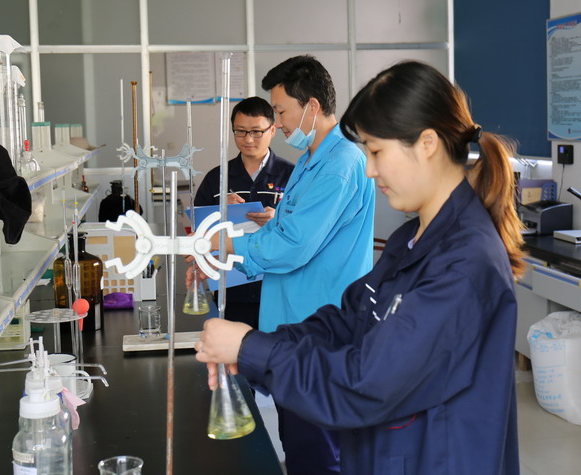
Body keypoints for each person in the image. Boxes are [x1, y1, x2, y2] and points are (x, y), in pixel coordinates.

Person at [195, 60, 526, 474]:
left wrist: (253, 350)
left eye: (376, 151)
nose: (369, 169)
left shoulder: (463, 264)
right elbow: (350, 318)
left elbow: (367, 383)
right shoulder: (412, 238)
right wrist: (254, 344)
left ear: (427, 143)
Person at [190, 55, 376, 475]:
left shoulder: (341, 163)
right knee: (298, 441)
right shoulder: (312, 159)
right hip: (294, 322)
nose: (278, 123)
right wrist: (222, 249)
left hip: (321, 327)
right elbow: (284, 229)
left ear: (312, 106)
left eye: (280, 111)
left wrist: (226, 248)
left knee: (318, 449)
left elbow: (293, 245)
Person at [194, 96, 294, 329]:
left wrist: (277, 220)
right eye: (240, 131)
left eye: (256, 132)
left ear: (272, 130)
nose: (248, 139)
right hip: (231, 289)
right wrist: (219, 212)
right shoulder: (217, 178)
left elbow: (307, 229)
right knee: (234, 347)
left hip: (277, 285)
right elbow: (199, 231)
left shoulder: (292, 176)